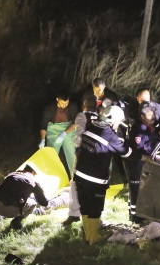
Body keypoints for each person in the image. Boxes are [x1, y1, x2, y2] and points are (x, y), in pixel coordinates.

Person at [73, 104, 133, 244]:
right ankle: (93, 238)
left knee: (85, 205)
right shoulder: (109, 135)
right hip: (95, 179)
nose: (119, 124)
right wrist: (140, 155)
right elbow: (125, 152)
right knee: (95, 207)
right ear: (112, 119)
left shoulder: (91, 127)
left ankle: (88, 234)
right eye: (118, 121)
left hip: (80, 175)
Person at [125, 102, 160, 224]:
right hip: (137, 164)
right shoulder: (139, 129)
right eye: (150, 115)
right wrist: (151, 156)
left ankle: (140, 215)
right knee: (136, 190)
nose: (153, 116)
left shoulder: (148, 127)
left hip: (143, 163)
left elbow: (151, 139)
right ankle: (135, 217)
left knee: (141, 190)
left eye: (153, 113)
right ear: (142, 117)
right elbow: (140, 148)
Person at [62, 95, 98, 226]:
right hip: (96, 156)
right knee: (93, 185)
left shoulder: (81, 116)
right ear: (96, 107)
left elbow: (79, 135)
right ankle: (93, 215)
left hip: (82, 154)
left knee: (75, 183)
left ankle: (74, 213)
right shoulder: (100, 118)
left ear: (84, 106)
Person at [0, 165, 49, 230]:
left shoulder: (11, 174)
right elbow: (43, 203)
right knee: (33, 202)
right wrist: (40, 191)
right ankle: (16, 222)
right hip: (11, 212)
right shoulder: (33, 181)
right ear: (32, 172)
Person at [38, 89, 79, 176]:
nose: (65, 105)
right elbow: (43, 125)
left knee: (72, 153)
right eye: (62, 103)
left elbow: (75, 123)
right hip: (53, 128)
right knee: (52, 153)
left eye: (66, 103)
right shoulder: (49, 109)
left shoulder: (73, 106)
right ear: (57, 99)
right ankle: (49, 175)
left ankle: (75, 178)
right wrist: (42, 140)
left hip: (68, 128)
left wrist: (64, 133)